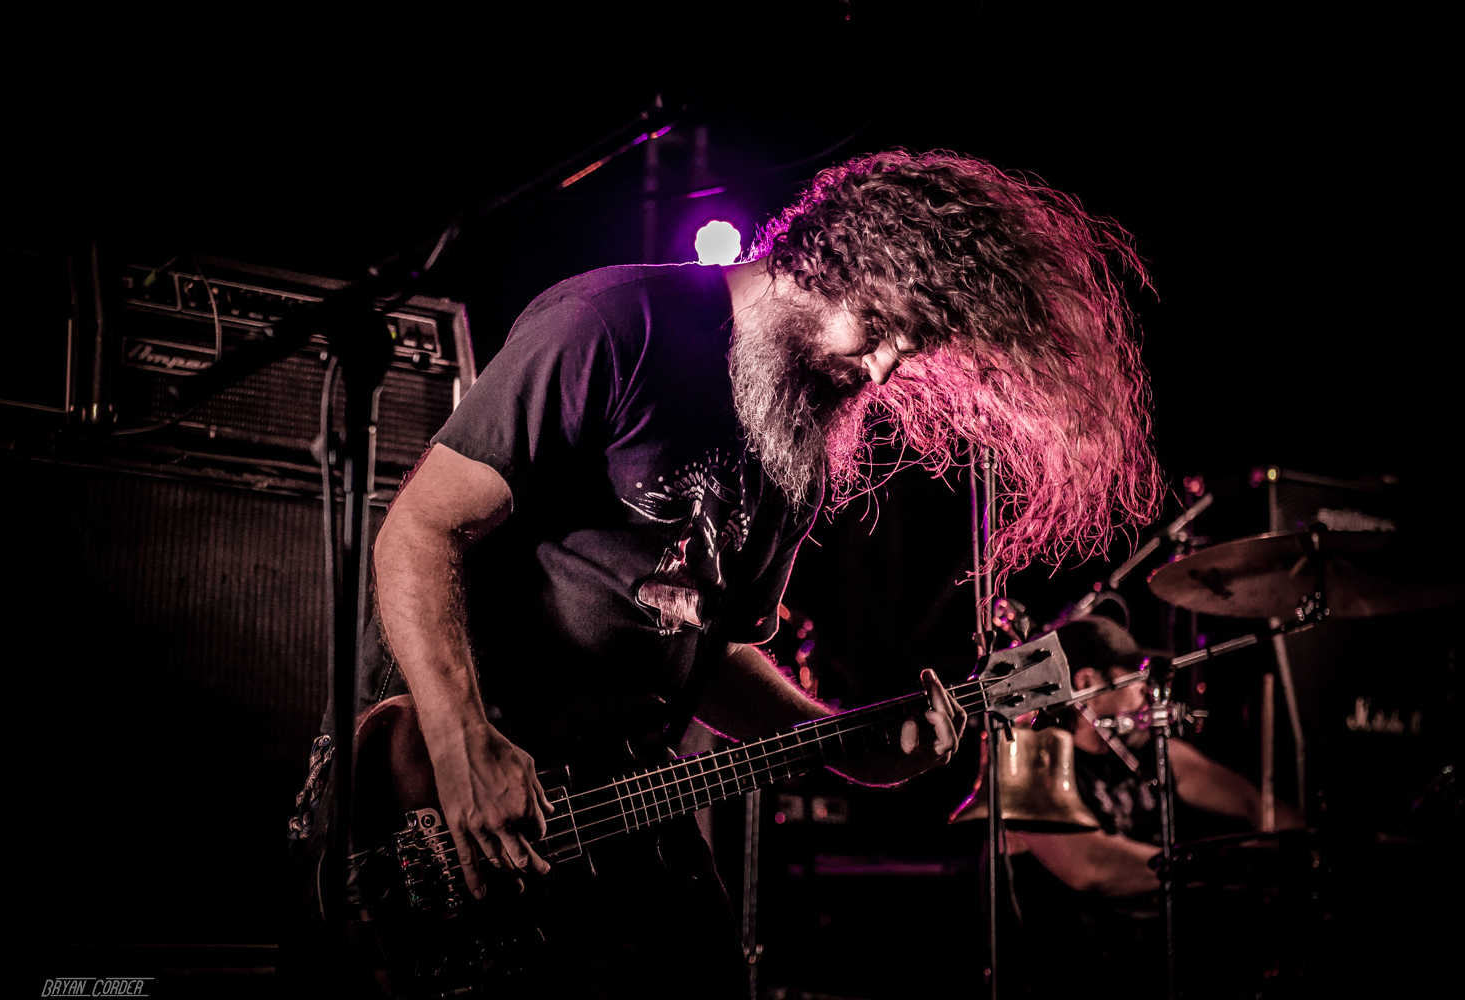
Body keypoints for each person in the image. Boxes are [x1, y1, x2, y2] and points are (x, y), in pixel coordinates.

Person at [348, 150, 1163, 996]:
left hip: (613, 797)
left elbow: (703, 659)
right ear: (823, 261)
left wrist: (849, 748)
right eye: (877, 326)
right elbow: (419, 529)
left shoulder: (794, 450)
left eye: (910, 348)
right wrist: (461, 742)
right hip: (436, 782)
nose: (883, 369)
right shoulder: (614, 323)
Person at [1002, 615, 1303, 997]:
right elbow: (1092, 867)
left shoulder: (1158, 753)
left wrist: (1301, 857)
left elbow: (1256, 802)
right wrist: (1231, 868)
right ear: (1087, 682)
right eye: (1136, 678)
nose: (1149, 692)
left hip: (1168, 974)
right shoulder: (1032, 769)